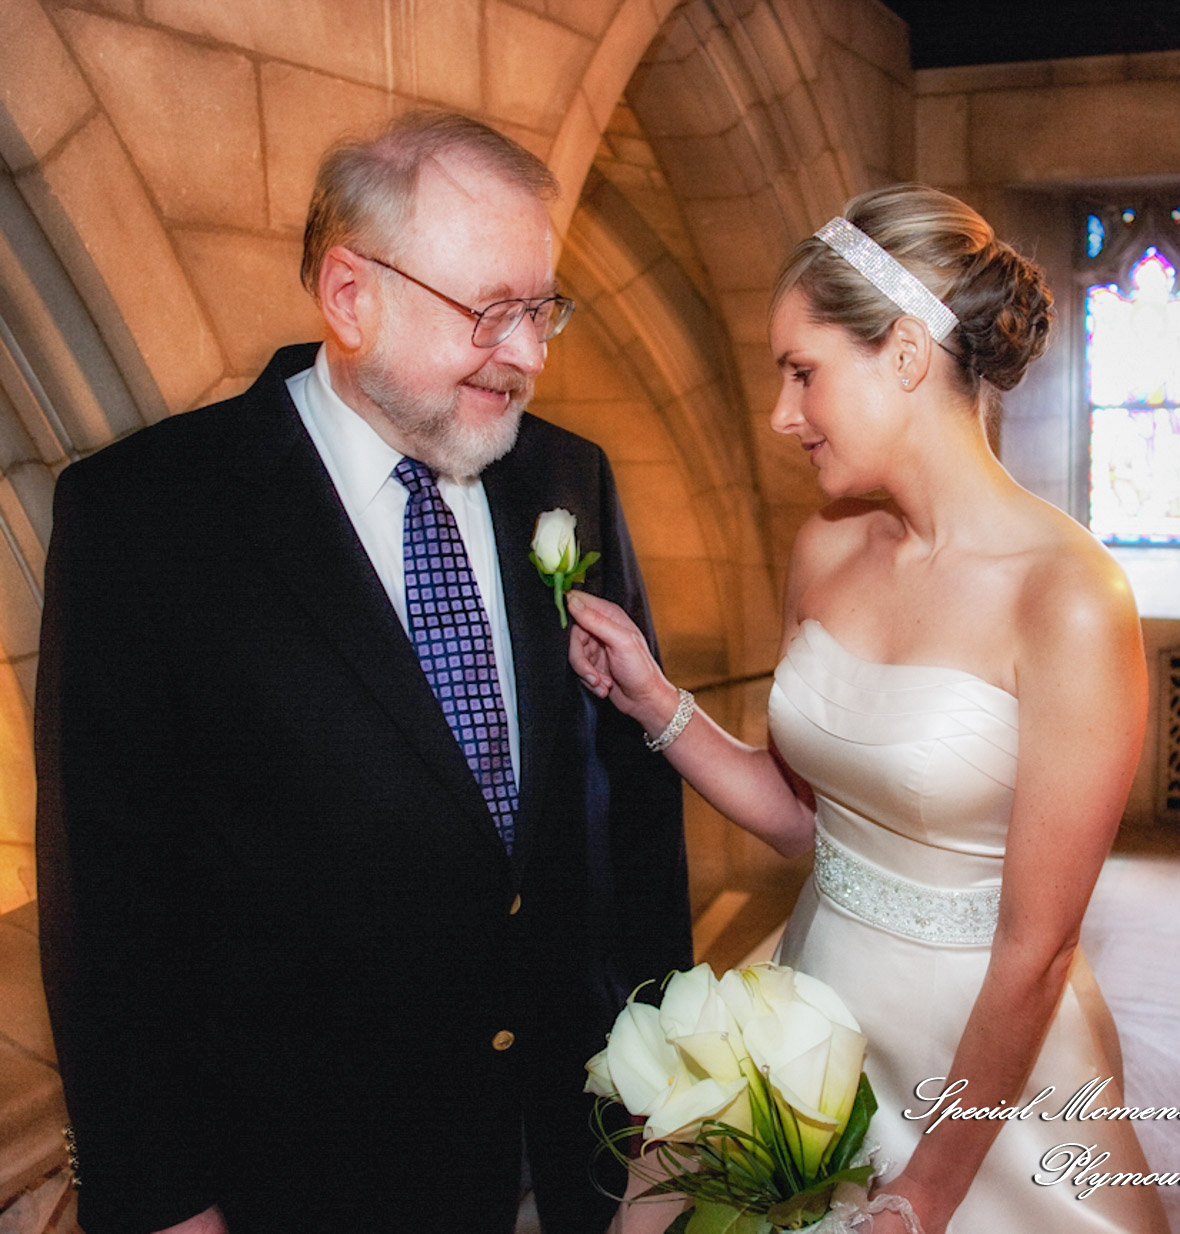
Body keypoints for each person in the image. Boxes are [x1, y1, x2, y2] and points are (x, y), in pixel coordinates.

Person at [34, 110, 691, 1234]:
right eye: (490, 312)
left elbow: (630, 816)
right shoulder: (147, 518)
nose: (529, 354)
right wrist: (163, 1202)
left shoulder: (568, 477)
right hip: (308, 1179)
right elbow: (115, 914)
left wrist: (668, 1098)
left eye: (541, 311)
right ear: (350, 295)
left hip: (571, 1155)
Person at [566, 185, 1171, 1233]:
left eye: (803, 371)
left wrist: (921, 1200)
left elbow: (1037, 946)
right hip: (813, 1017)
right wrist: (654, 700)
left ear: (903, 354)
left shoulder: (1069, 599)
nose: (781, 413)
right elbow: (808, 817)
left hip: (980, 1062)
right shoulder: (827, 547)